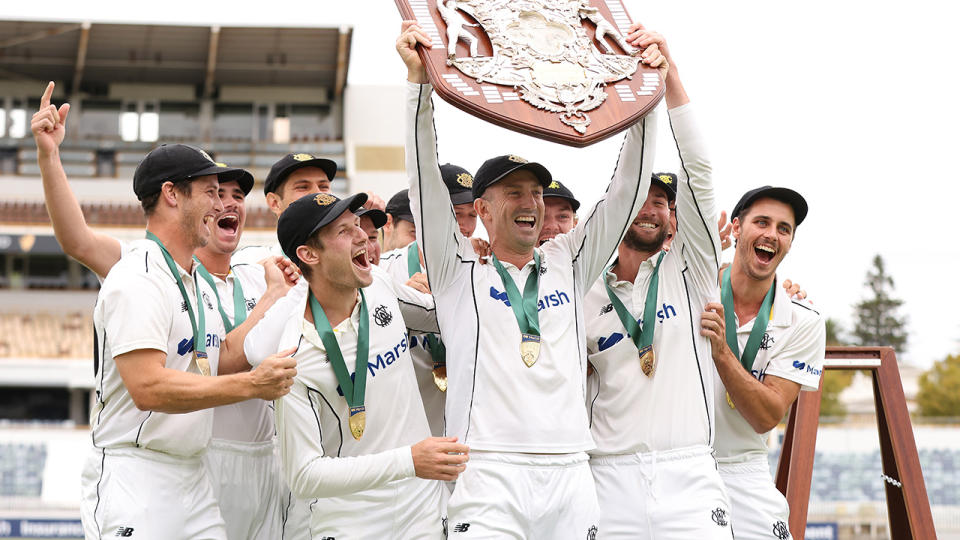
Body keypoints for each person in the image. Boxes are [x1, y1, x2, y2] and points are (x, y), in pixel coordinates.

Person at [398, 20, 663, 538]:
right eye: (514, 192)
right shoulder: (456, 271)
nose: (531, 203)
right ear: (483, 209)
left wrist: (644, 101)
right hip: (487, 470)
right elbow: (423, 180)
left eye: (537, 193)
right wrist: (418, 88)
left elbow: (627, 191)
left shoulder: (568, 259)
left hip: (569, 471)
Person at [31, 82, 296, 540]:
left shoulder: (195, 281)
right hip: (136, 477)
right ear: (173, 194)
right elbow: (148, 387)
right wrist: (251, 384)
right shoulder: (137, 275)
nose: (223, 204)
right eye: (212, 192)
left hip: (192, 476)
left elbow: (220, 358)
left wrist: (272, 312)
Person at [243, 192, 468, 539]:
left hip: (421, 509)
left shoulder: (379, 284)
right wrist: (409, 460)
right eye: (345, 231)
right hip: (350, 521)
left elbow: (450, 317)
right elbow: (304, 476)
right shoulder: (291, 356)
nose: (363, 235)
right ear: (308, 254)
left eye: (358, 225)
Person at [583, 26, 731, 539]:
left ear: (674, 217)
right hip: (606, 477)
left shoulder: (692, 269)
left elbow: (701, 172)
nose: (651, 208)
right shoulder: (582, 286)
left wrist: (668, 78)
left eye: (663, 201)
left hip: (688, 473)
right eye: (641, 196)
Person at [699, 186, 826, 540]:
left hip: (744, 468)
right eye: (762, 222)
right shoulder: (691, 289)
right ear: (736, 228)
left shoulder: (804, 319)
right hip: (679, 464)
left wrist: (723, 352)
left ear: (789, 242)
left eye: (784, 229)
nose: (772, 234)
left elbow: (767, 416)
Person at [379, 164, 477, 437]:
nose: (467, 227)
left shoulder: (486, 268)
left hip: (465, 435)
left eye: (474, 215)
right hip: (402, 434)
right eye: (457, 215)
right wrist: (403, 306)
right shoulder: (384, 272)